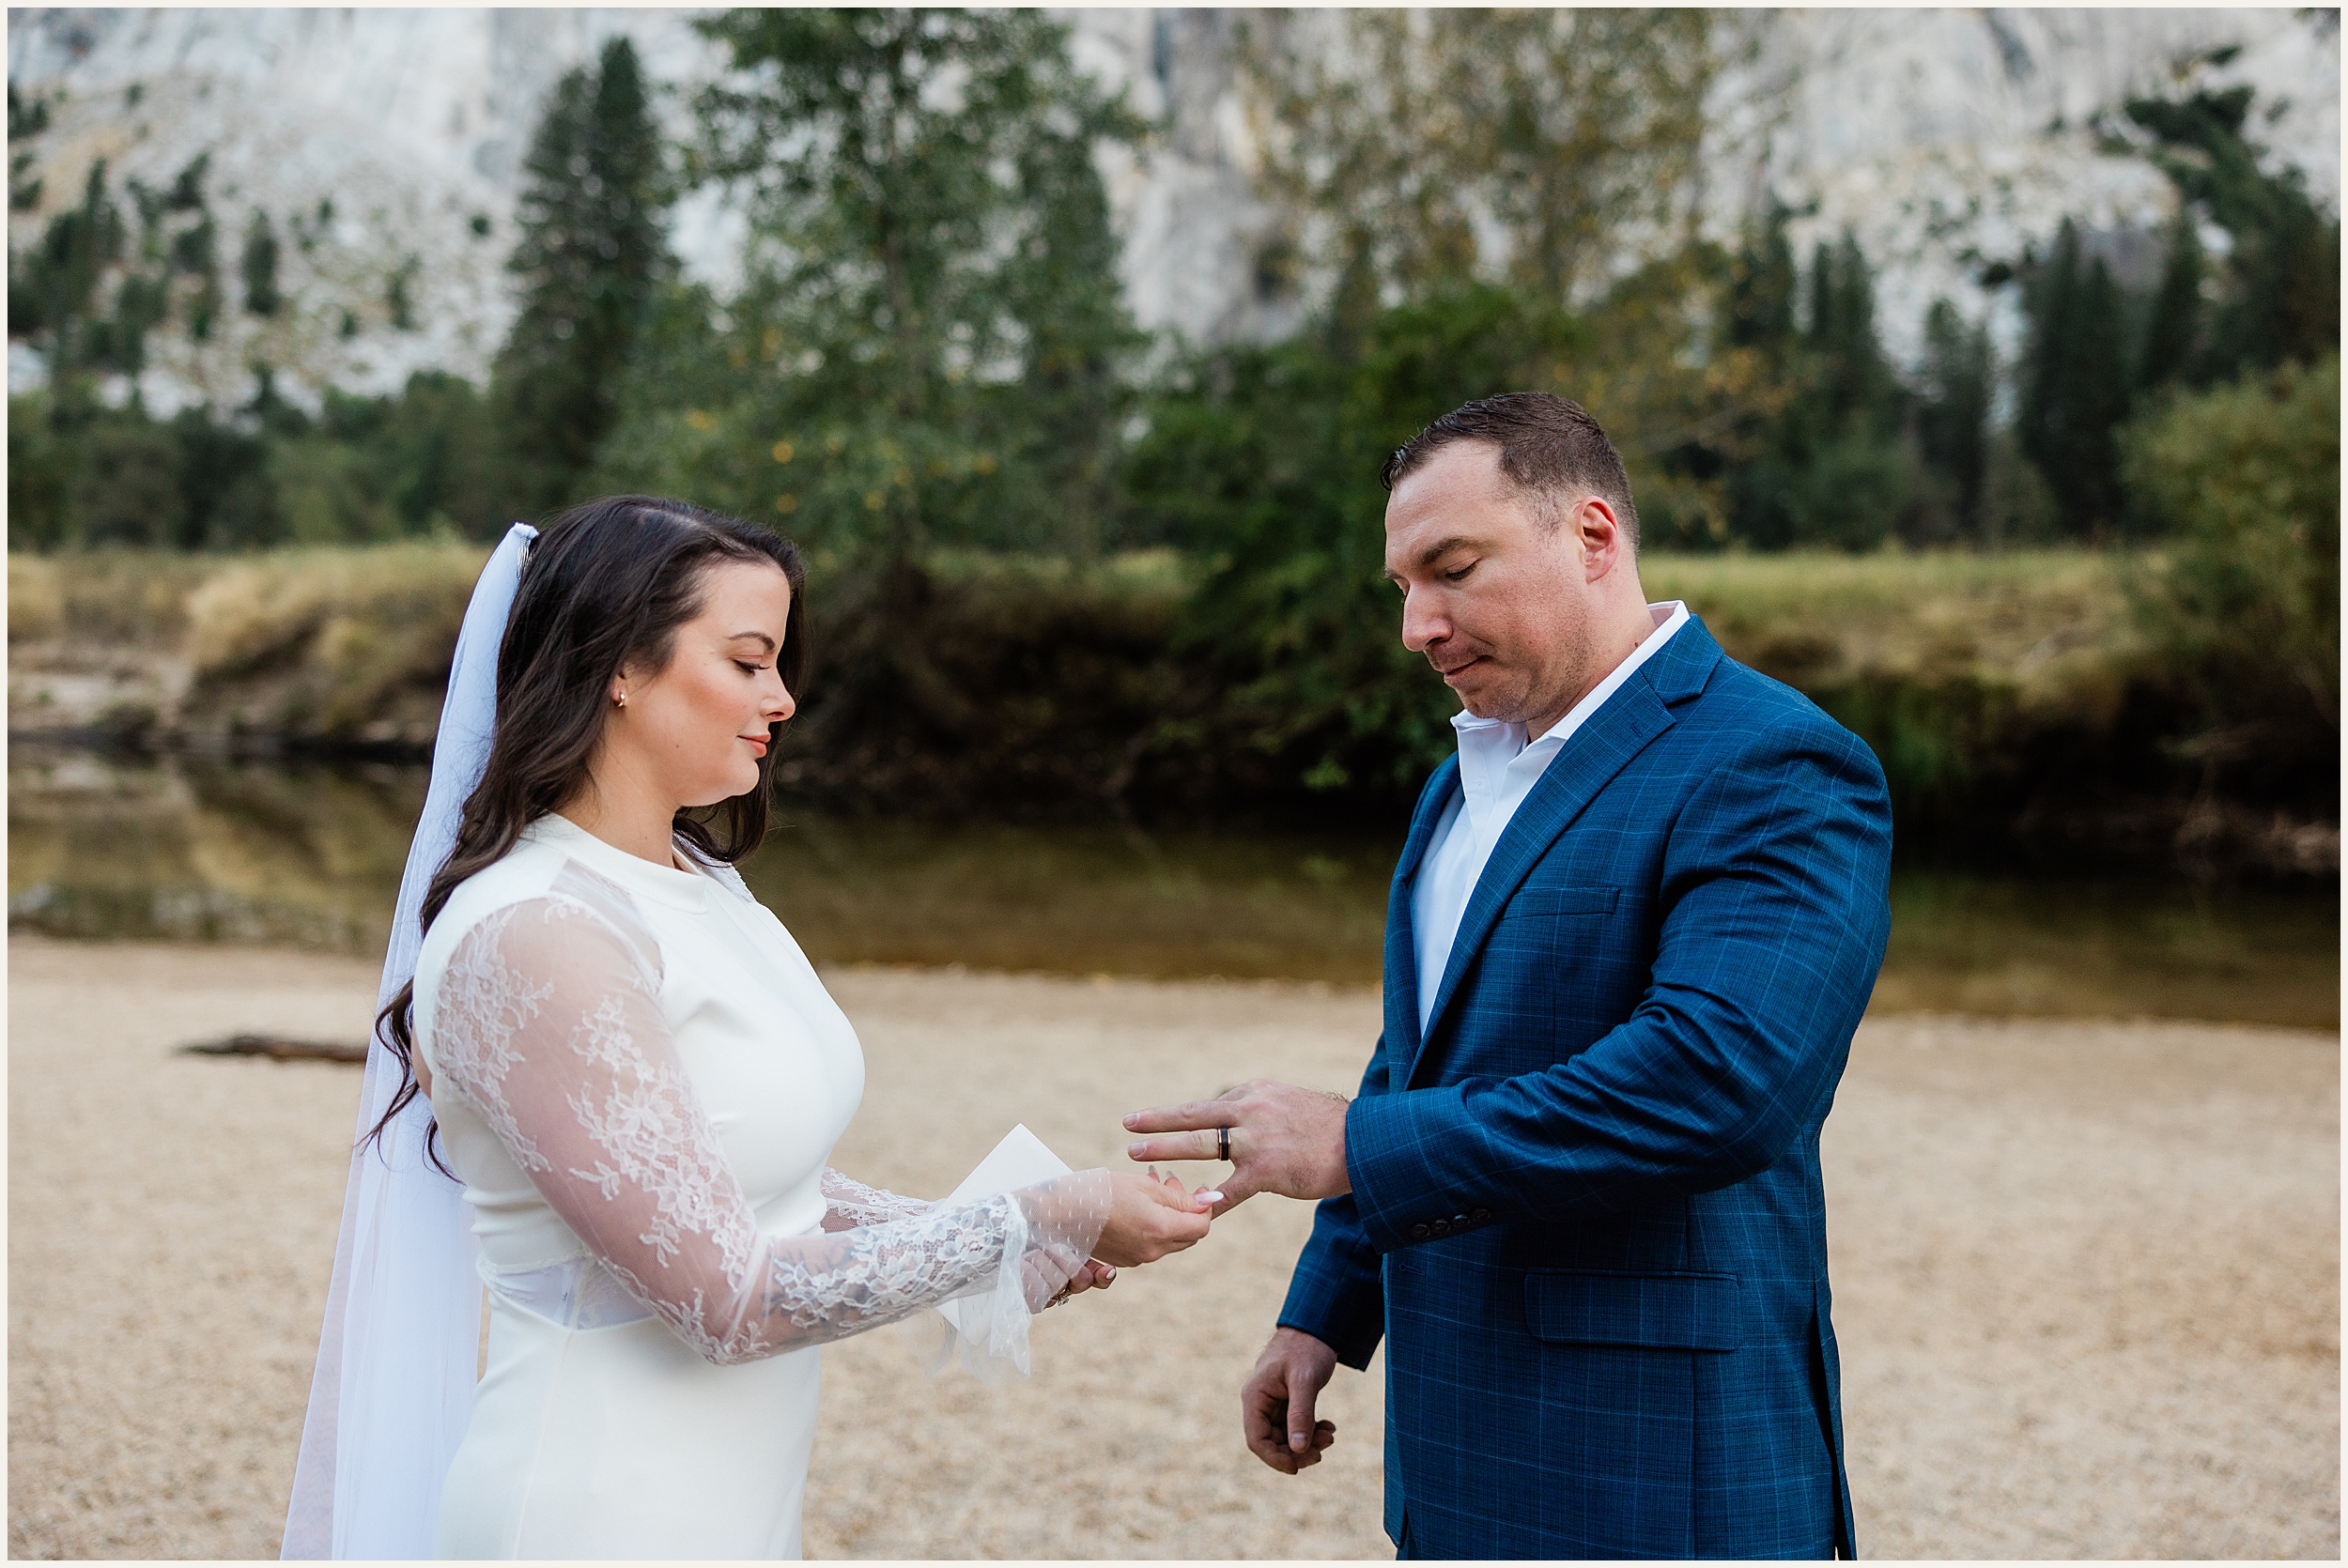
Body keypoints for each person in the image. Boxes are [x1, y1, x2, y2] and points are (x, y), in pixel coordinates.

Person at [297, 496, 1213, 1560]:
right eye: (746, 660)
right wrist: (1032, 1212)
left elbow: (758, 1189)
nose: (780, 698)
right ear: (619, 667)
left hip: (729, 1495)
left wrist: (1009, 1244)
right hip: (595, 1499)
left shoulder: (701, 880)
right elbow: (724, 1298)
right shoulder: (537, 932)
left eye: (779, 663)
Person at [1124, 394, 1892, 1559]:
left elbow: (1720, 1083)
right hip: (1456, 1454)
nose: (1416, 626)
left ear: (1592, 538)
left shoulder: (1773, 761)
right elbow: (1424, 1055)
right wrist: (1328, 1305)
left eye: (1453, 569)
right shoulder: (1462, 779)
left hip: (1658, 1472)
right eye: (1402, 587)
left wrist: (1350, 1147)